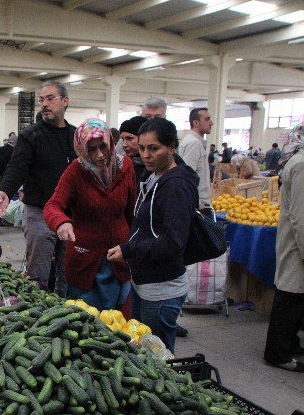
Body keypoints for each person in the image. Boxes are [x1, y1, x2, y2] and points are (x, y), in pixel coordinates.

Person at [107, 118, 198, 354]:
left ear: (172, 147)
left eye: (154, 148)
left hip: (162, 289)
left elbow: (172, 243)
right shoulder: (154, 177)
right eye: (143, 148)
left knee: (160, 358)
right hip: (145, 282)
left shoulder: (176, 186)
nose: (146, 155)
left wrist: (130, 250)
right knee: (143, 349)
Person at [0, 81, 77, 296]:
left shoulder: (76, 136)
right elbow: (17, 166)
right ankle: (40, 318)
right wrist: (4, 190)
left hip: (70, 214)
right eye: (42, 100)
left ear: (65, 102)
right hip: (40, 213)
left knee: (68, 271)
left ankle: (67, 312)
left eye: (50, 98)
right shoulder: (31, 135)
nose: (44, 104)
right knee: (38, 273)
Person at [44, 119, 136, 310]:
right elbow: (53, 206)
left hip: (119, 256)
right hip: (86, 262)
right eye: (91, 149)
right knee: (89, 321)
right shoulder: (75, 172)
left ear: (110, 142)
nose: (100, 155)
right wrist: (62, 223)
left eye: (102, 146)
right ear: (82, 150)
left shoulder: (125, 167)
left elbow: (131, 210)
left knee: (121, 320)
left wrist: (133, 245)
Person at [264, 122, 304, 372]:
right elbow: (301, 215)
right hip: (297, 243)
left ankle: (289, 343)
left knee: (296, 298)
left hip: (296, 239)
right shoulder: (301, 165)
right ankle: (277, 353)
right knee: (290, 296)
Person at [179, 108, 213, 216]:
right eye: (207, 119)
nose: (211, 123)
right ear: (195, 123)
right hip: (200, 206)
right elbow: (187, 175)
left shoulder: (195, 142)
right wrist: (196, 202)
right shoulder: (194, 143)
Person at [119, 116, 148, 183]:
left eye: (129, 138)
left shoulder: (156, 167)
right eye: (122, 139)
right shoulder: (122, 165)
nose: (124, 145)